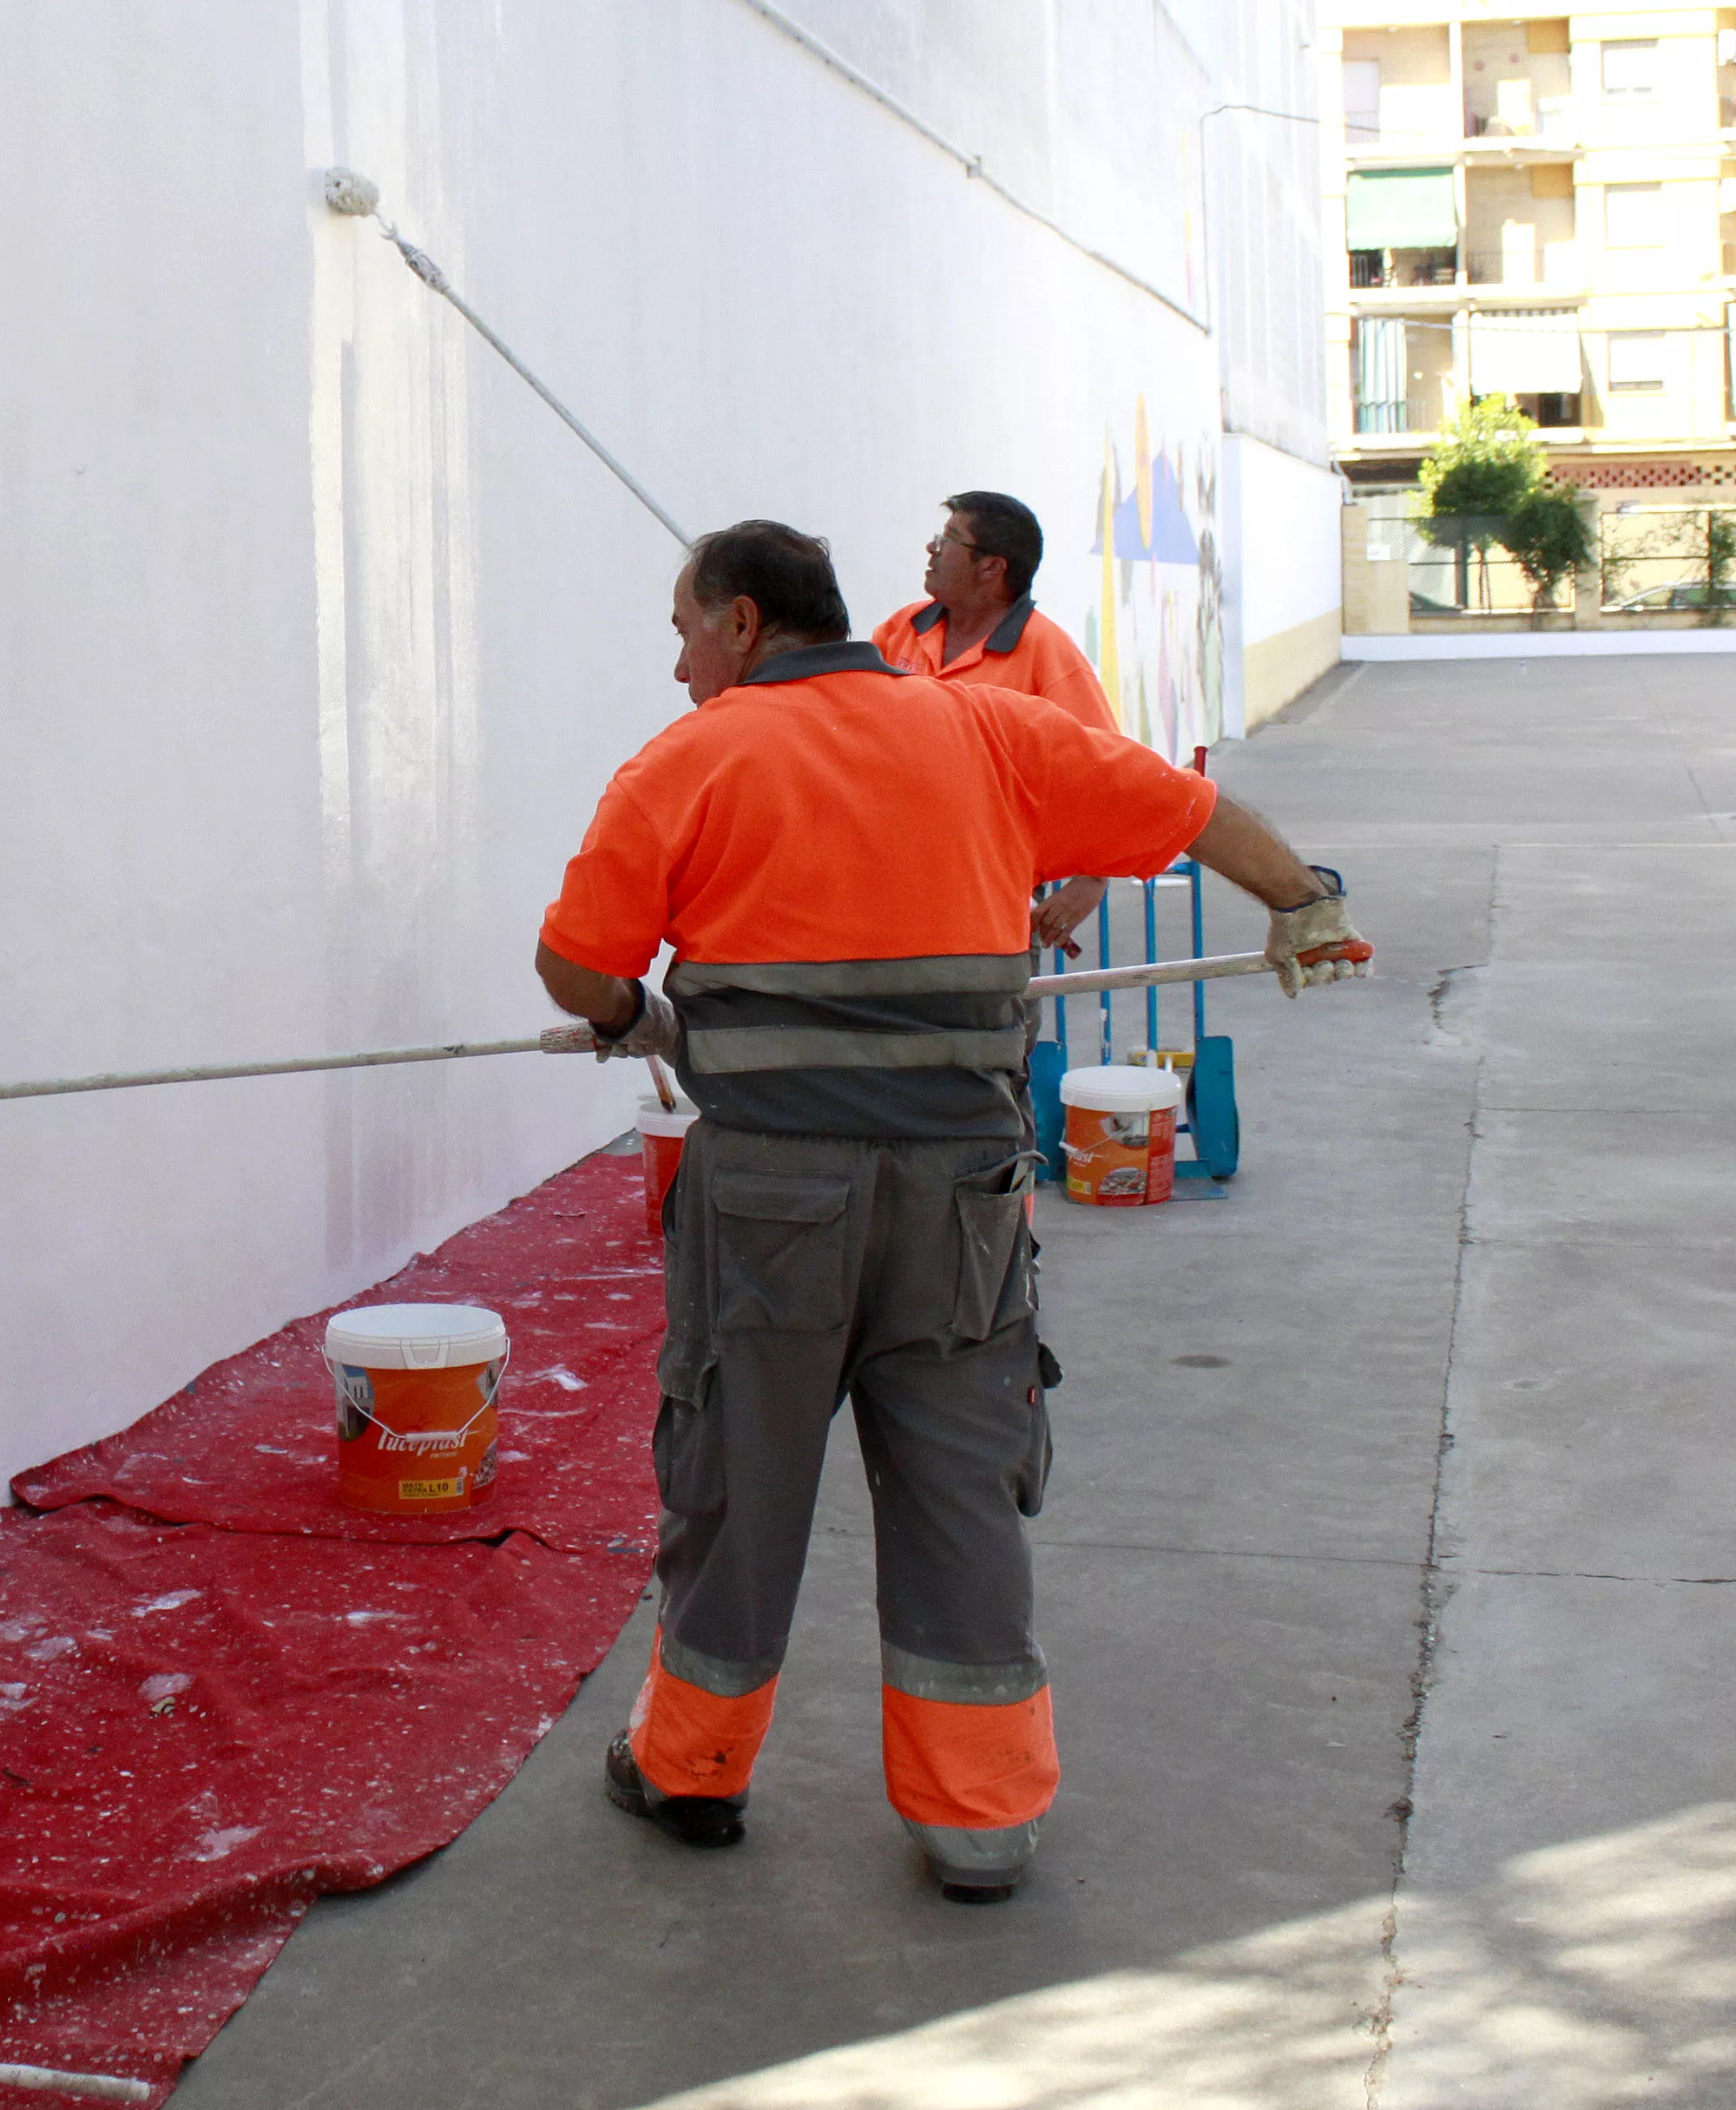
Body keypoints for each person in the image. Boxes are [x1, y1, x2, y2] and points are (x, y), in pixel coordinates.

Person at [535, 519, 1368, 1903]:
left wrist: (644, 1020)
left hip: (769, 1207)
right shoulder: (988, 732)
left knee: (739, 1479)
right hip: (965, 1202)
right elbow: (1184, 808)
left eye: (686, 631)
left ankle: (691, 1773)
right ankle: (979, 1818)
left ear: (744, 625)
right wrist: (1307, 904)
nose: (678, 663)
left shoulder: (690, 759)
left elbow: (573, 965)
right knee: (958, 1488)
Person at [878, 490, 1121, 954]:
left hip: (992, 900)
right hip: (890, 887)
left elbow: (1106, 773)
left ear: (993, 567)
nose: (932, 548)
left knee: (990, 1022)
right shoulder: (900, 632)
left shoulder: (1047, 654)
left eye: (949, 539)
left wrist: (1092, 882)